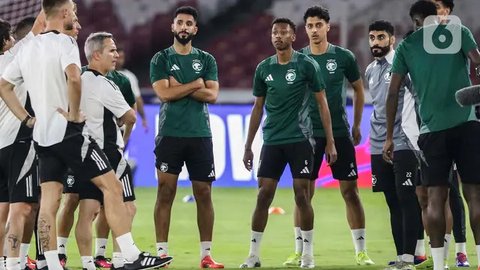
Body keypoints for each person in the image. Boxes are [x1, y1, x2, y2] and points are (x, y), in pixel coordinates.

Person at [0, 0, 172, 269]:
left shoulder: (27, 48)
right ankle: (131, 255)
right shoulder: (65, 43)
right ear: (65, 13)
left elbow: (4, 86)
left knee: (49, 202)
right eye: (74, 11)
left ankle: (53, 265)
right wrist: (74, 113)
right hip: (68, 133)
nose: (76, 15)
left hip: (42, 137)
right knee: (112, 187)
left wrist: (27, 119)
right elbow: (74, 76)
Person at [384, 1, 480, 270]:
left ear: (415, 22)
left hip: (431, 132)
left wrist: (390, 136)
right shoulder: (459, 32)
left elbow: (393, 93)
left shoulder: (406, 46)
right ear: (437, 17)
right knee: (474, 196)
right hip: (467, 123)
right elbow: (477, 61)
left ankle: (439, 265)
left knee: (435, 199)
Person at [240, 17, 337, 269]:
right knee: (263, 196)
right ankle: (253, 255)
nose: (278, 36)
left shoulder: (307, 65)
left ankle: (307, 255)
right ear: (271, 36)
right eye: (275, 32)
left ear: (293, 37)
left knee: (302, 196)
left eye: (284, 32)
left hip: (300, 140)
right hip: (272, 140)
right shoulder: (264, 68)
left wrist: (330, 141)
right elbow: (257, 107)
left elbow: (322, 102)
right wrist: (248, 144)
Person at [283, 6, 373, 266]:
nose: (313, 30)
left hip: (340, 132)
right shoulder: (297, 58)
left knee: (350, 192)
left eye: (318, 25)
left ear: (327, 27)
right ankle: (299, 250)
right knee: (303, 194)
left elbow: (358, 90)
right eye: (309, 26)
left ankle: (361, 250)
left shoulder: (343, 57)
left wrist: (356, 125)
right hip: (307, 134)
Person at [150, 6, 223, 268]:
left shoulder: (207, 60)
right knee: (165, 191)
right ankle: (161, 253)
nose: (183, 27)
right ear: (173, 27)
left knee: (203, 192)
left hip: (200, 135)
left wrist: (178, 84)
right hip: (170, 134)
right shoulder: (160, 59)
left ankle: (206, 255)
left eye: (188, 23)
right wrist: (195, 84)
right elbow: (164, 95)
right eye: (179, 22)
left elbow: (213, 96)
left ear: (195, 29)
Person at [365, 20, 421, 270]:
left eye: (380, 37)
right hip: (378, 144)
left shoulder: (405, 66)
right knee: (392, 201)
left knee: (407, 198)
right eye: (372, 38)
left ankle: (411, 258)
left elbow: (419, 98)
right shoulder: (370, 70)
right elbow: (378, 106)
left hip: (404, 141)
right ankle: (401, 257)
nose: (375, 42)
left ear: (392, 39)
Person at [0, 12, 44, 270]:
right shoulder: (13, 58)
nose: (15, 41)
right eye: (12, 38)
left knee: (3, 208)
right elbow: (39, 26)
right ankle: (14, 262)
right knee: (23, 207)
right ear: (6, 41)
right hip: (15, 142)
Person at [430, 0, 470, 267]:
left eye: (441, 8)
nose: (437, 12)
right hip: (431, 124)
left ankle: (462, 249)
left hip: (459, 121)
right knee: (437, 191)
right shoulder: (420, 42)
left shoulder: (459, 34)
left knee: (457, 190)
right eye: (433, 8)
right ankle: (439, 253)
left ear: (449, 12)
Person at [116, 47, 148, 132]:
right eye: (118, 57)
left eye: (122, 57)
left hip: (123, 124)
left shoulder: (130, 77)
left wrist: (143, 117)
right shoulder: (103, 74)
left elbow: (137, 99)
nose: (120, 60)